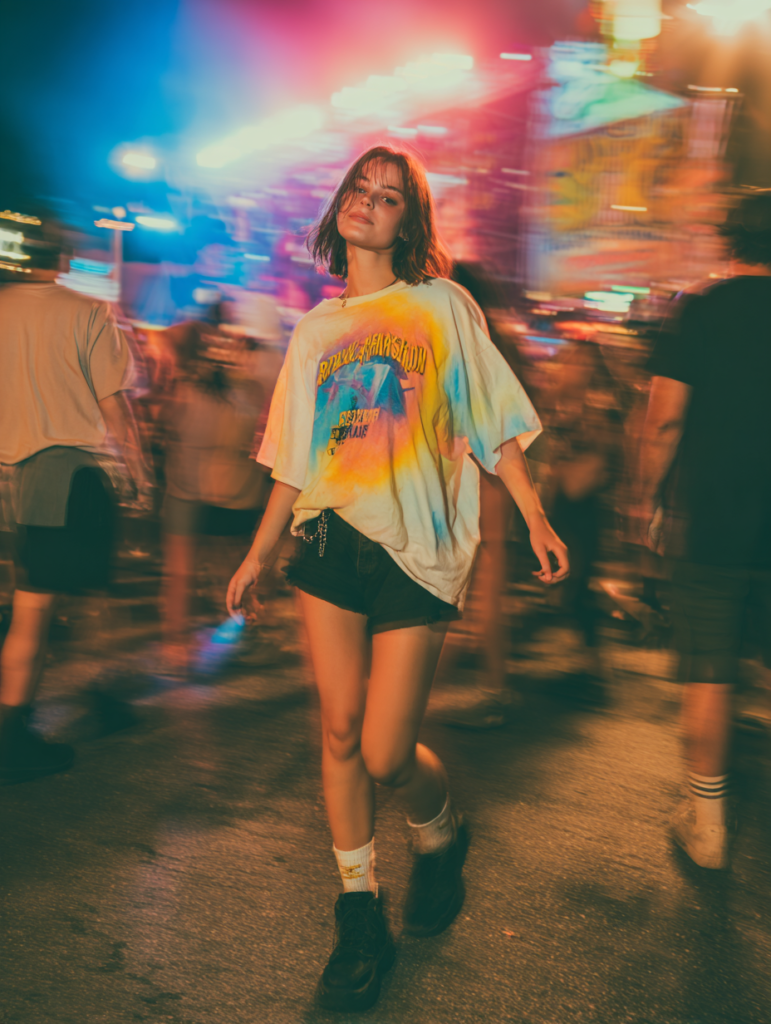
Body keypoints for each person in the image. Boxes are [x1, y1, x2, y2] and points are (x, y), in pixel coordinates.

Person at [226, 146, 569, 1012]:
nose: (368, 205)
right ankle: (356, 908)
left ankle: (440, 831)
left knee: (385, 751)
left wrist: (530, 513)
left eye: (387, 198)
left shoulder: (440, 307)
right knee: (338, 732)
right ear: (340, 206)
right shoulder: (313, 331)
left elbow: (491, 420)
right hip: (331, 544)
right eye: (359, 191)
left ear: (406, 222)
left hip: (418, 551)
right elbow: (293, 462)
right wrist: (259, 551)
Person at [636, 190, 771, 870]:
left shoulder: (698, 311)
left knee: (710, 674)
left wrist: (648, 498)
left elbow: (663, 420)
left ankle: (708, 828)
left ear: (728, 240)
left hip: (714, 522)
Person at [0, 209, 153, 783]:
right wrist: (138, 471)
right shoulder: (89, 312)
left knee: (38, 601)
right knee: (69, 600)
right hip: (71, 475)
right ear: (63, 258)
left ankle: (54, 708)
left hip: (11, 479)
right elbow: (115, 404)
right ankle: (17, 731)